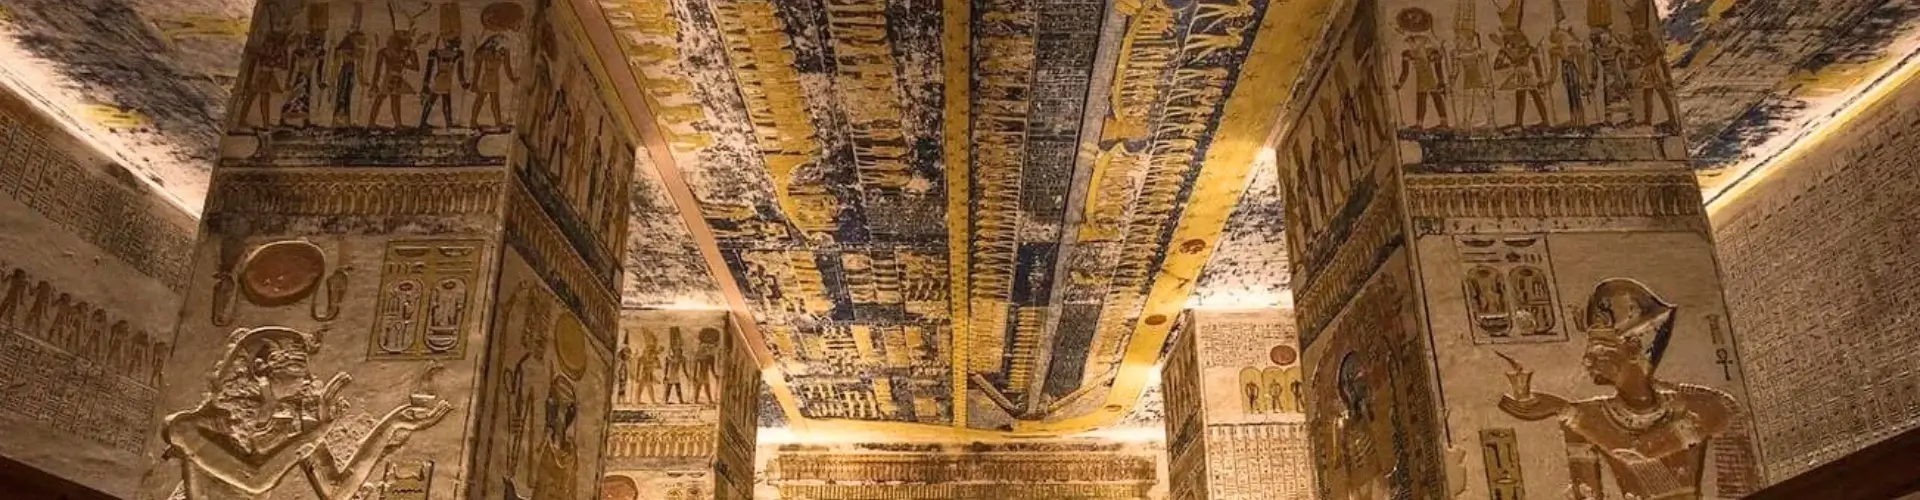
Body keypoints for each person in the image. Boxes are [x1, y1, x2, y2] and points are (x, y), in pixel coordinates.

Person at [1497, 279, 1739, 500]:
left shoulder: (1705, 405)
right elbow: (1587, 494)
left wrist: (1564, 410)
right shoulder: (1588, 416)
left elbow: (1638, 451)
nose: (1587, 360)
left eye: (1600, 349)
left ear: (1633, 349)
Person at [159, 327, 451, 499]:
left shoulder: (290, 427)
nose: (310, 379)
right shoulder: (189, 429)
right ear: (261, 369)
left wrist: (392, 424)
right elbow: (254, 478)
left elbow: (336, 491)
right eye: (299, 367)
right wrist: (319, 430)